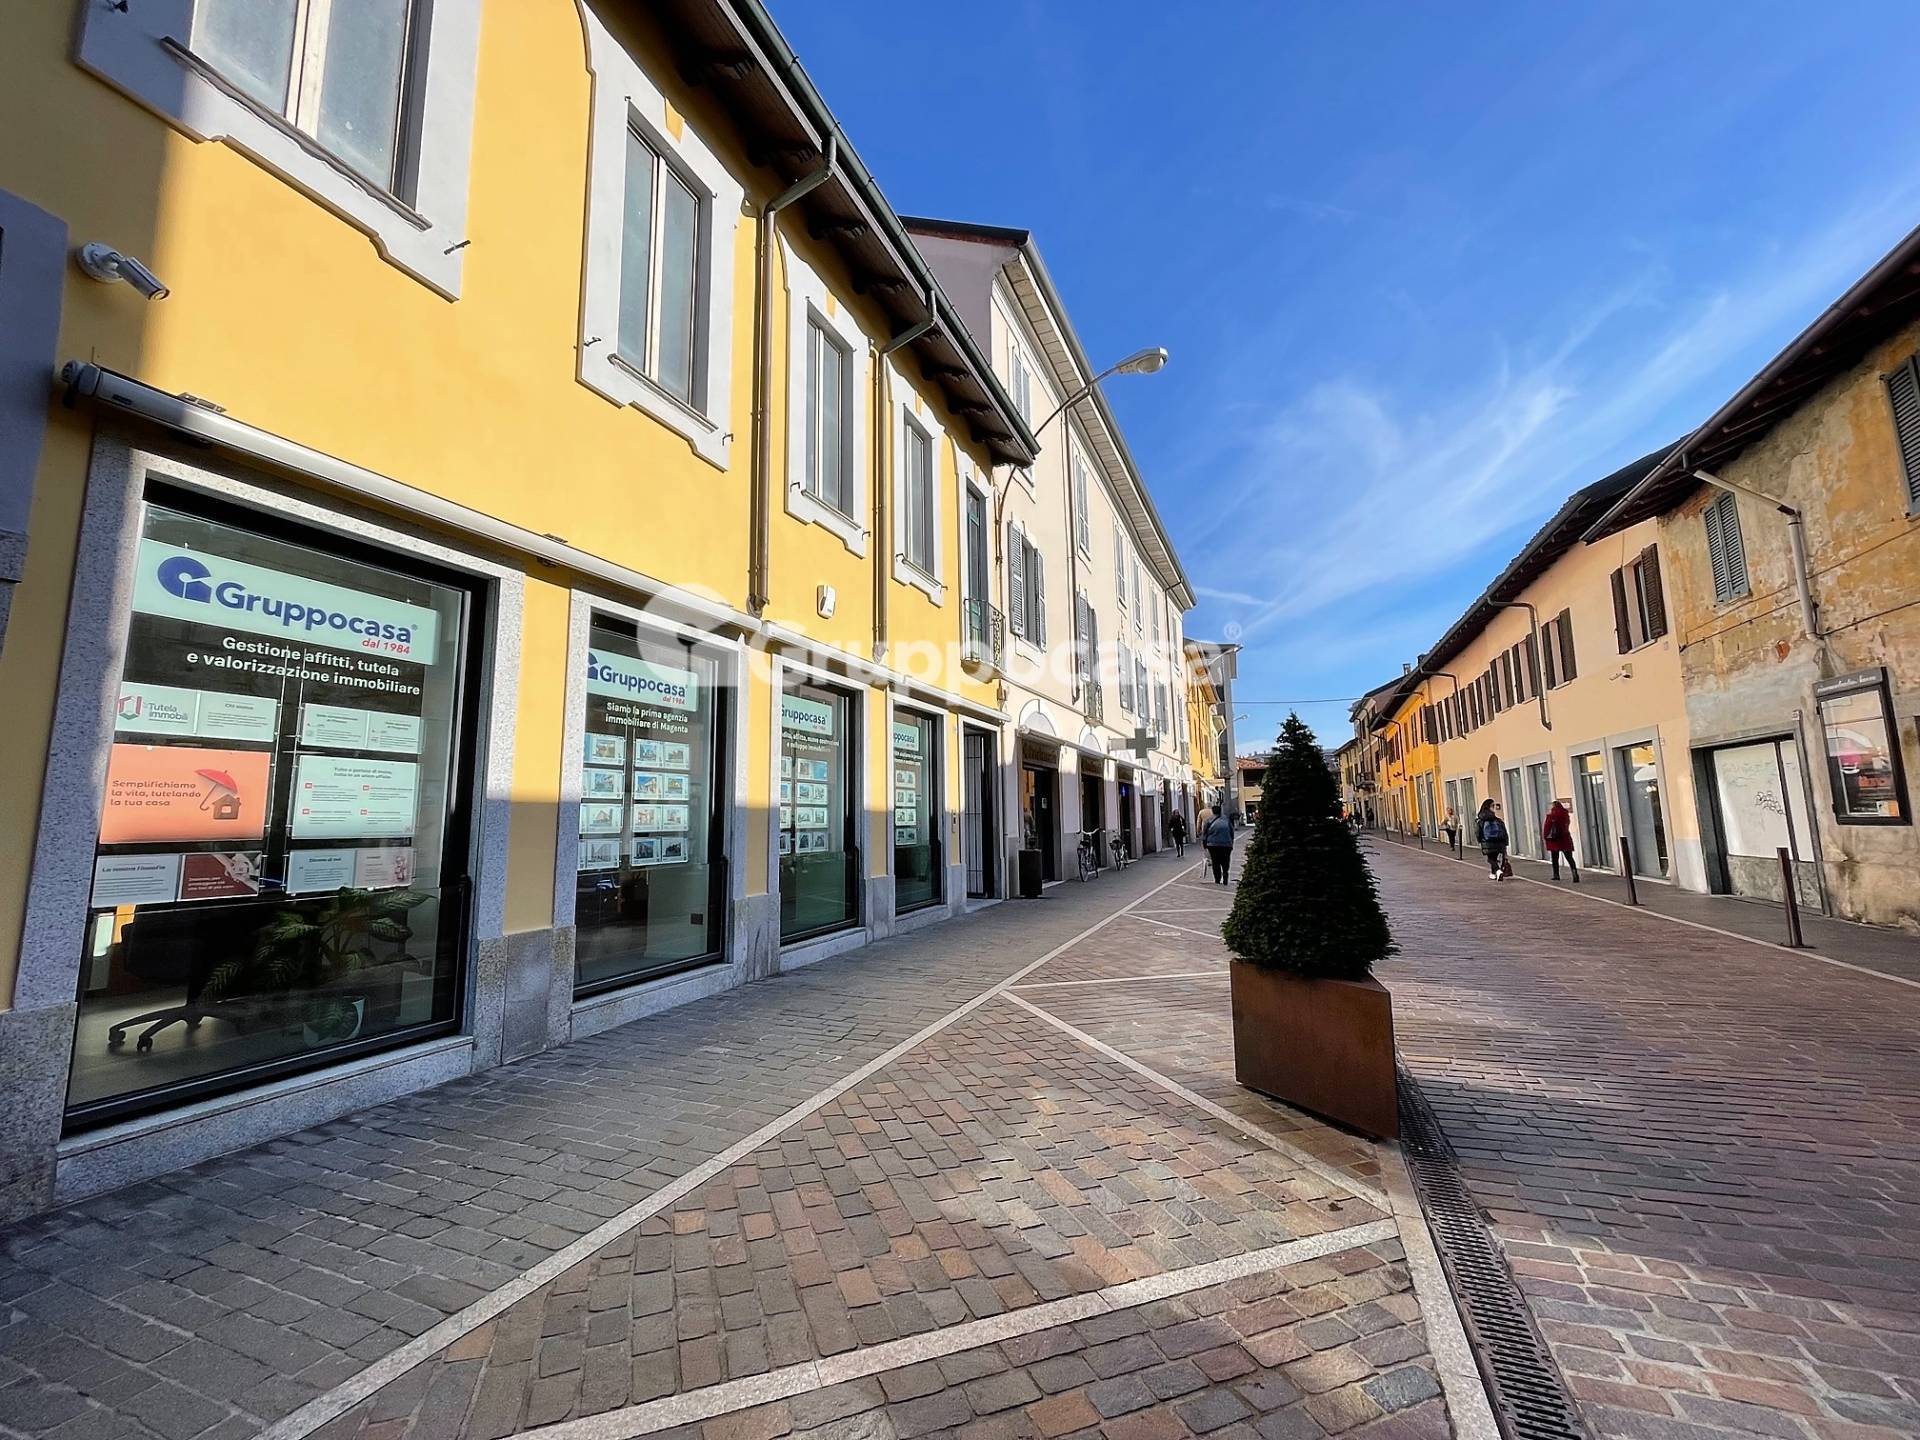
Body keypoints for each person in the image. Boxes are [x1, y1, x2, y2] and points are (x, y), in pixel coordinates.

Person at [1542, 799, 1579, 882]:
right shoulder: (1565, 815)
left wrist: (1545, 837)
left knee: (1555, 859)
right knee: (1569, 858)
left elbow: (1546, 828)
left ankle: (1556, 875)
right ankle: (1574, 873)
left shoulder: (1551, 816)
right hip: (1565, 839)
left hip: (1554, 840)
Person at [1475, 799, 1509, 880]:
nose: (1494, 807)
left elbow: (1477, 831)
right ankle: (1493, 874)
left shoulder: (1481, 819)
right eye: (1493, 806)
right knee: (1494, 858)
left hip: (1487, 842)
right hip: (1499, 842)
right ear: (1489, 807)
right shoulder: (1497, 819)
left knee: (1490, 859)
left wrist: (1480, 840)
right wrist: (1505, 843)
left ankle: (1497, 871)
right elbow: (1504, 831)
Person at [1202, 803, 1234, 886]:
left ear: (1212, 811)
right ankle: (1225, 875)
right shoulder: (1227, 820)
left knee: (1215, 862)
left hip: (1213, 845)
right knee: (1225, 861)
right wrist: (1231, 842)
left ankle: (1217, 879)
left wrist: (1204, 844)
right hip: (1226, 844)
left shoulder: (1208, 820)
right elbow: (1231, 832)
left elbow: (1204, 833)